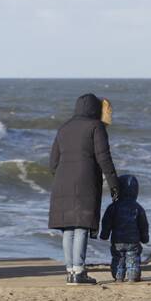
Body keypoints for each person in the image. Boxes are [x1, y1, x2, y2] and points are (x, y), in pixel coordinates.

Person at [49, 93, 119, 285]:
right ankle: (79, 271)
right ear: (94, 109)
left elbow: (53, 162)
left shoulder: (64, 128)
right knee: (81, 226)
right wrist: (114, 184)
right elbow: (104, 158)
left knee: (68, 228)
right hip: (85, 180)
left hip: (62, 181)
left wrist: (64, 176)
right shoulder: (95, 126)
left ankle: (70, 271)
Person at [100, 175, 149, 282]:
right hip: (133, 240)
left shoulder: (113, 207)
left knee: (118, 258)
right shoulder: (138, 208)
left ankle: (118, 277)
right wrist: (145, 238)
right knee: (133, 258)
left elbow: (106, 222)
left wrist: (104, 234)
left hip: (117, 240)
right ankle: (133, 276)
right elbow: (143, 225)